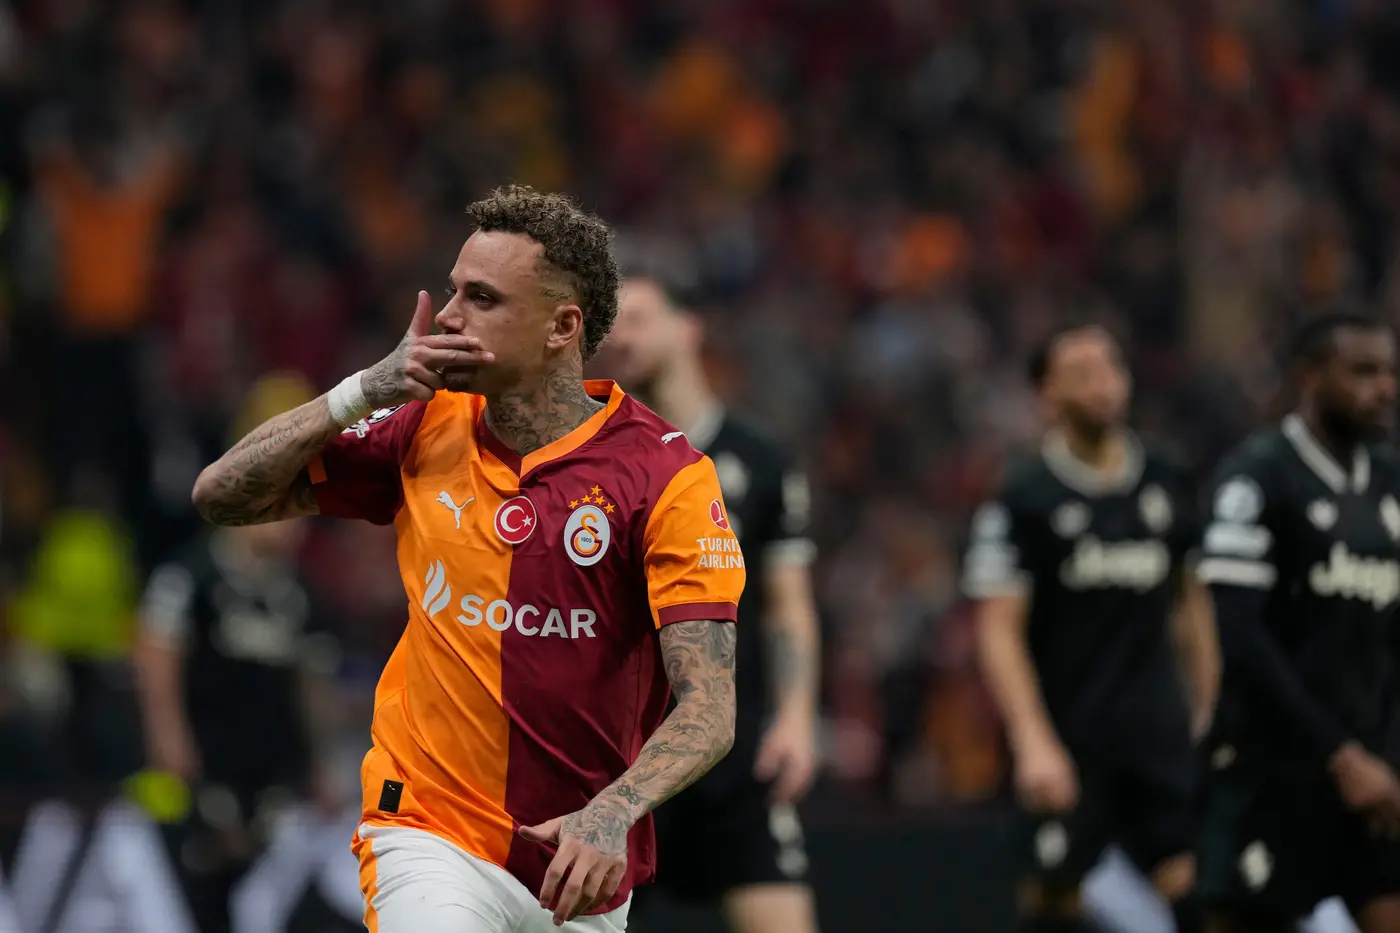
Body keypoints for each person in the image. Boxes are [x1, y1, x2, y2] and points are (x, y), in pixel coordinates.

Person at [190, 185, 745, 933]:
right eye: (454, 290)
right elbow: (221, 495)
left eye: (481, 299)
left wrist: (614, 809)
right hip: (427, 829)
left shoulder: (666, 476)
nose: (448, 316)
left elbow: (709, 707)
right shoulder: (423, 423)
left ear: (562, 327)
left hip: (576, 864)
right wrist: (362, 391)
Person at [962, 323, 1219, 933]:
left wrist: (1210, 706)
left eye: (1111, 369)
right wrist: (1032, 741)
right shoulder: (1023, 497)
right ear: (1046, 396)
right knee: (1053, 901)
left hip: (1156, 733)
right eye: (1081, 374)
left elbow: (1193, 604)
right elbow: (998, 629)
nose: (1102, 385)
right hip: (1069, 736)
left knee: (1195, 890)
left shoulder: (1168, 477)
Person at [601, 277, 822, 933]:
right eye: (612, 324)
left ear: (687, 327)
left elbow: (787, 605)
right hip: (621, 755)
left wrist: (797, 719)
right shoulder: (595, 456)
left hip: (733, 749)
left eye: (638, 318)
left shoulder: (761, 458)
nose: (620, 336)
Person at [1197, 312, 1400, 933]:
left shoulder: (1391, 482)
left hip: (1375, 772)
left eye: (1390, 372)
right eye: (1363, 372)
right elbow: (1242, 640)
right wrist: (1338, 755)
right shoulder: (1256, 479)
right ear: (1310, 377)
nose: (1384, 388)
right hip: (1273, 769)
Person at [134, 374, 343, 933]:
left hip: (270, 778)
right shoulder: (193, 575)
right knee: (199, 897)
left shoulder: (297, 595)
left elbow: (311, 679)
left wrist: (322, 763)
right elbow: (157, 651)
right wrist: (168, 737)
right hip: (202, 771)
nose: (296, 523)